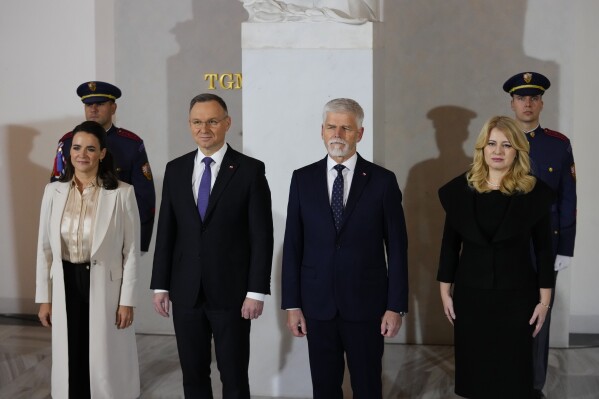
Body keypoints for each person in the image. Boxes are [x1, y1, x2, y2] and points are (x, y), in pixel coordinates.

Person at [281, 98, 408, 399]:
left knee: (367, 386)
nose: (337, 134)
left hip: (367, 306)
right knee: (324, 388)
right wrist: (292, 304)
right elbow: (293, 244)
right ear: (322, 131)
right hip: (317, 305)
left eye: (346, 128)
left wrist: (395, 306)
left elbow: (398, 247)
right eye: (331, 127)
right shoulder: (302, 179)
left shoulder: (382, 181)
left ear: (360, 133)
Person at [150, 93, 273, 399]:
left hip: (232, 294)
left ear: (227, 123)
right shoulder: (176, 170)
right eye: (197, 122)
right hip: (186, 292)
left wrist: (256, 291)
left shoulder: (249, 170)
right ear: (190, 125)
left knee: (233, 376)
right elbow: (166, 232)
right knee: (193, 376)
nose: (204, 128)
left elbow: (262, 236)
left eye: (212, 121)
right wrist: (159, 286)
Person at [437, 116, 555, 398]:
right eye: (491, 143)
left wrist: (545, 302)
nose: (498, 151)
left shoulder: (535, 193)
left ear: (517, 151)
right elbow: (449, 246)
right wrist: (445, 292)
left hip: (517, 297)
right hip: (471, 296)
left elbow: (544, 250)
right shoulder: (458, 191)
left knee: (513, 376)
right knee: (474, 372)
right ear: (482, 148)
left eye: (506, 144)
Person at [36, 120, 141, 399]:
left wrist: (127, 300)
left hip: (104, 284)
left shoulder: (122, 193)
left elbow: (130, 251)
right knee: (71, 348)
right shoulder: (53, 192)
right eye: (77, 147)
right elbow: (44, 248)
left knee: (103, 354)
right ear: (69, 152)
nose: (82, 154)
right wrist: (44, 298)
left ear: (102, 154)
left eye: (91, 148)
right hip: (65, 280)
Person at [503, 71, 577, 397]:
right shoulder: (497, 141)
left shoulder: (558, 145)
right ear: (512, 103)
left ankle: (533, 385)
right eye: (522, 97)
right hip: (504, 244)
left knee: (539, 315)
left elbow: (568, 197)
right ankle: (504, 376)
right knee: (505, 311)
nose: (528, 103)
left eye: (533, 98)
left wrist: (566, 248)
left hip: (545, 244)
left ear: (541, 103)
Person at [51, 81, 156, 251]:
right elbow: (58, 190)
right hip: (73, 236)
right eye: (88, 104)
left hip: (115, 237)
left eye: (100, 104)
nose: (93, 109)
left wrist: (138, 242)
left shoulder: (130, 144)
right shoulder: (68, 142)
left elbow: (144, 198)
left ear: (113, 108)